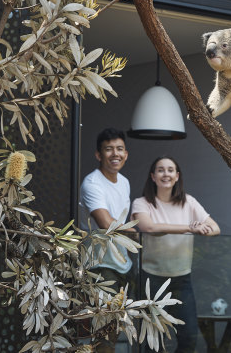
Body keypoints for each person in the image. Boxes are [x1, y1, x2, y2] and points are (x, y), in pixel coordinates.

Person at [131, 156, 220, 353]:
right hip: (151, 280)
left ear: (177, 176)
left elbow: (215, 228)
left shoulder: (189, 202)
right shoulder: (142, 203)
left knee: (189, 336)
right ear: (153, 176)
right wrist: (189, 227)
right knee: (154, 341)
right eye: (161, 170)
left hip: (182, 279)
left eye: (170, 170)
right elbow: (149, 227)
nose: (166, 174)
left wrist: (203, 228)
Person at [78, 127, 137, 352]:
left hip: (123, 264)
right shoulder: (92, 183)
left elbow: (121, 220)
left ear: (126, 153)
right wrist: (136, 233)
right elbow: (106, 223)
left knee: (115, 329)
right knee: (103, 329)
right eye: (109, 149)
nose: (115, 154)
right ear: (98, 154)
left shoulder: (124, 182)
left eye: (120, 149)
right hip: (100, 265)